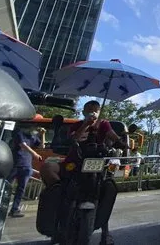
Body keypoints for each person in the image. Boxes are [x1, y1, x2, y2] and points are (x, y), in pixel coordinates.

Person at [40, 100, 126, 245]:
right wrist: (86, 124)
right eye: (89, 109)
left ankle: (106, 233)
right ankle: (57, 203)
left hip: (97, 164)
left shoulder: (104, 124)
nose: (93, 112)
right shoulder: (77, 125)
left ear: (99, 112)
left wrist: (123, 144)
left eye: (95, 110)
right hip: (73, 164)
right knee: (47, 168)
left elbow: (114, 137)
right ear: (84, 112)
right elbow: (74, 138)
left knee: (106, 189)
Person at [7, 127, 45, 217]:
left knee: (21, 189)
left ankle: (14, 209)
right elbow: (23, 145)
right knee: (6, 187)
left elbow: (41, 146)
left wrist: (43, 134)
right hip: (15, 164)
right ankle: (0, 206)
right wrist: (35, 154)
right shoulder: (19, 132)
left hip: (26, 165)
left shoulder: (33, 136)